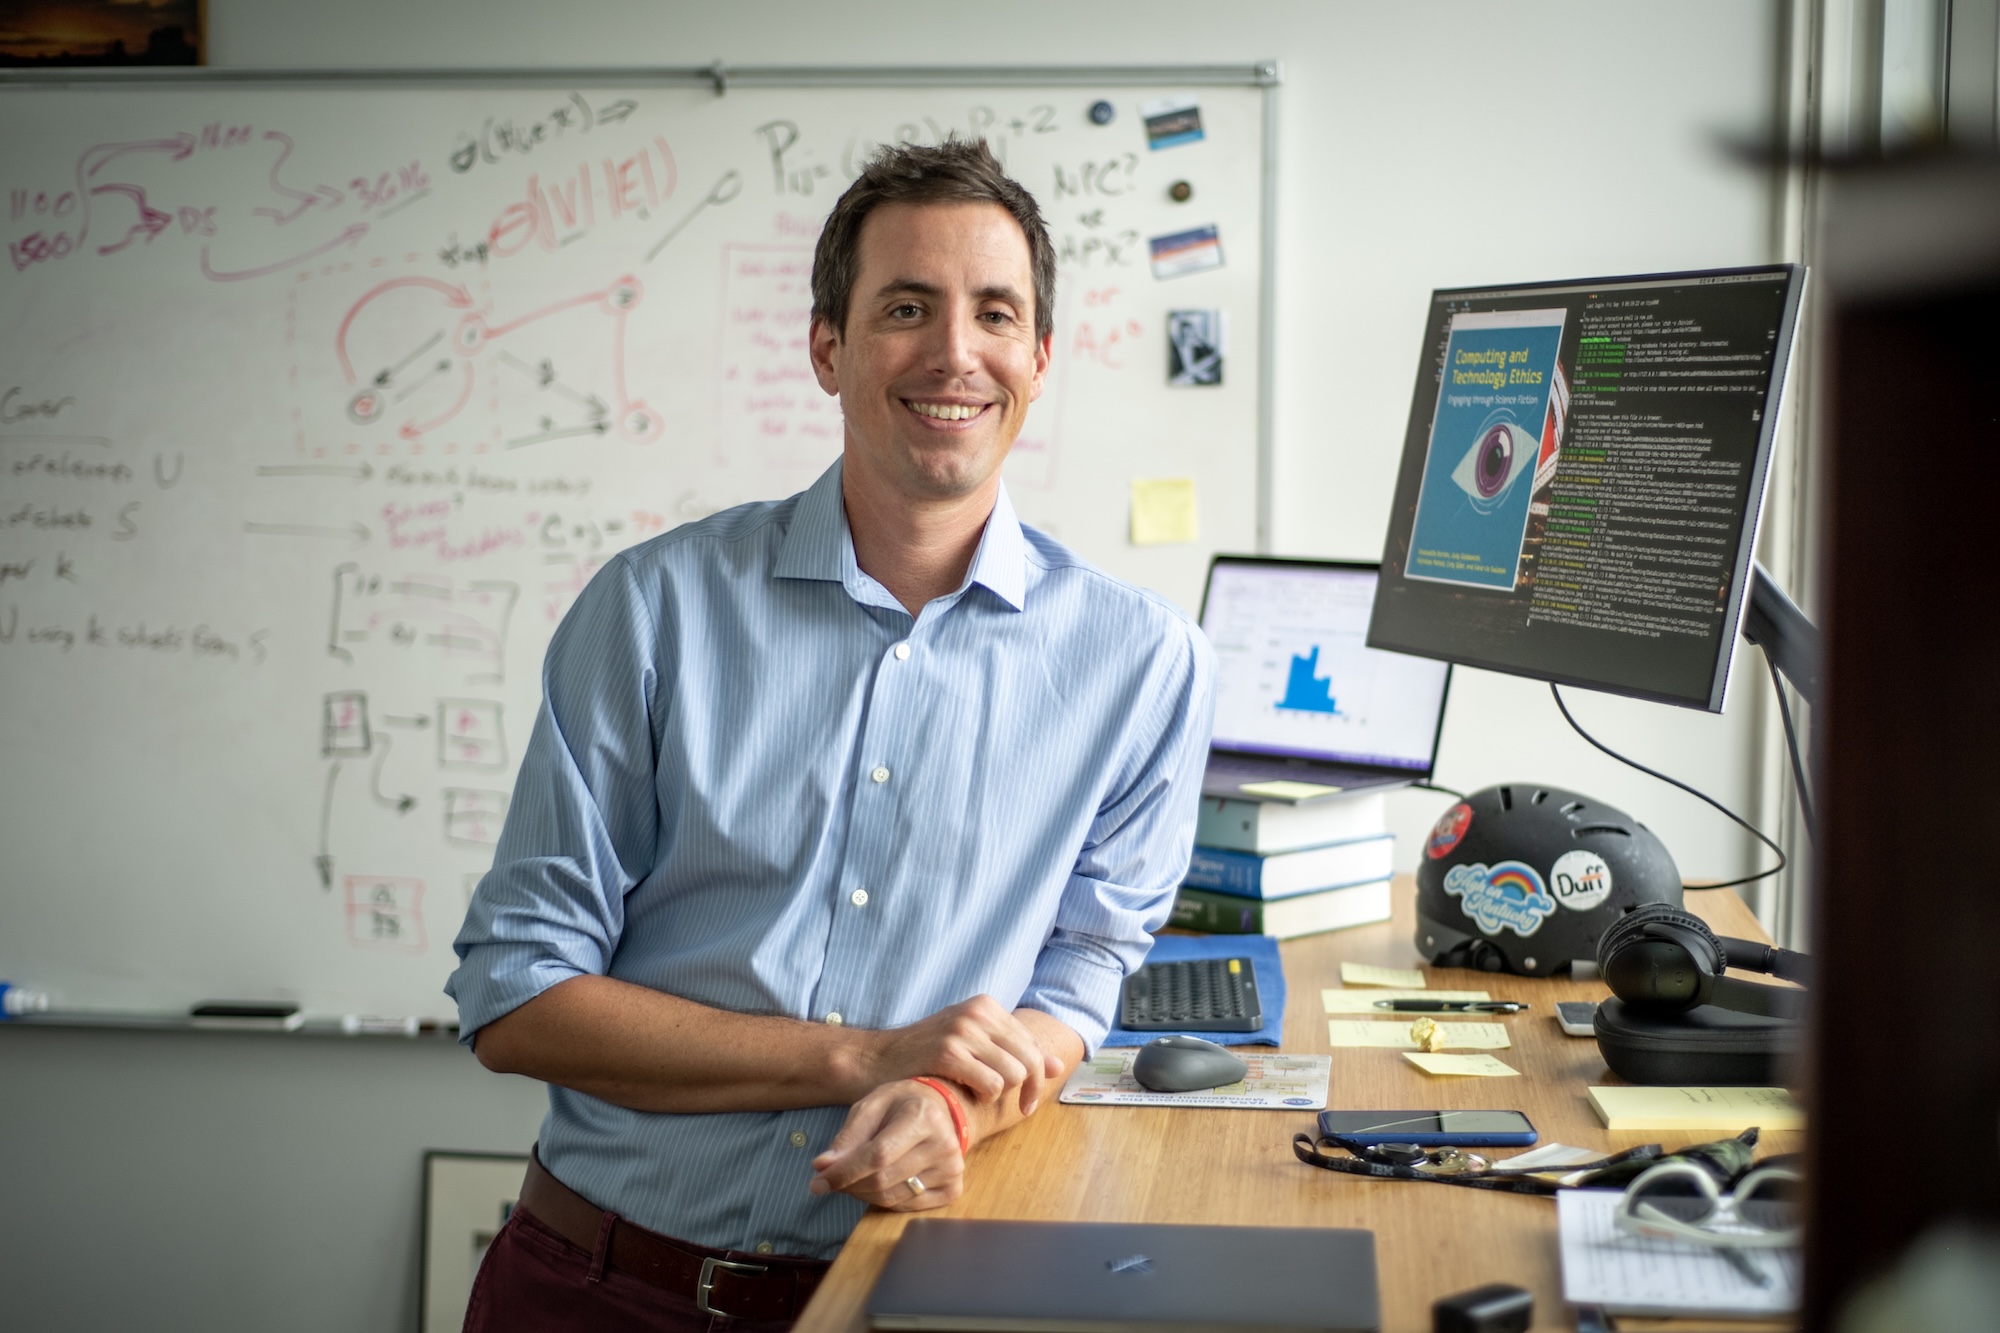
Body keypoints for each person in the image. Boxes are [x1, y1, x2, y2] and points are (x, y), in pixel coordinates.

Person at [446, 137, 1215, 1332]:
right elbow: (515, 997)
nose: (954, 353)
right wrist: (863, 1059)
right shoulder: (654, 609)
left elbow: (1084, 970)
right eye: (906, 307)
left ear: (1038, 359)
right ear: (827, 348)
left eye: (994, 315)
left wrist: (952, 1107)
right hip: (600, 1286)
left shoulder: (1143, 663)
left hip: (904, 1296)